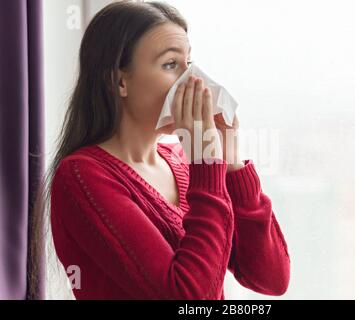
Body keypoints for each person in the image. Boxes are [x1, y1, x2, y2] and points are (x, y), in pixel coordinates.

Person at [49, 1, 290, 299]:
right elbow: (188, 298)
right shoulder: (82, 176)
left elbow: (271, 277)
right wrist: (205, 164)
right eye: (169, 64)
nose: (192, 80)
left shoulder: (183, 160)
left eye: (188, 65)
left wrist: (229, 160)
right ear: (119, 80)